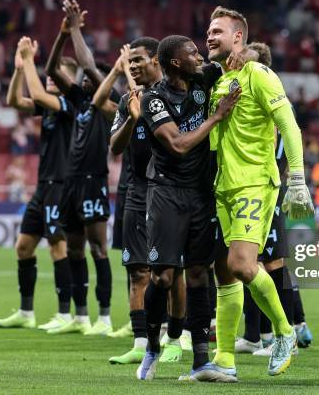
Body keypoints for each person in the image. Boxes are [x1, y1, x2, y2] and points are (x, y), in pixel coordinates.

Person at [200, 7, 314, 382]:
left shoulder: (260, 75)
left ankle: (284, 332)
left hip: (255, 183)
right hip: (224, 187)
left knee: (242, 265)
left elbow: (290, 126)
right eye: (208, 31)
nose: (209, 37)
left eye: (218, 31)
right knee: (225, 275)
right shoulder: (217, 79)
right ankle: (225, 360)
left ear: (238, 37)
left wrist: (297, 178)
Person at [135, 35, 240, 381]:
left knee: (198, 273)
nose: (199, 56)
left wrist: (236, 55)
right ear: (175, 63)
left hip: (201, 192)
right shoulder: (153, 99)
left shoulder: (202, 78)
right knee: (163, 277)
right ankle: (152, 345)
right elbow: (178, 144)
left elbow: (231, 61)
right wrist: (218, 116)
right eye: (192, 53)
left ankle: (200, 360)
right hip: (166, 191)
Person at [231, 42, 312, 354]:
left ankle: (286, 332)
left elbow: (287, 139)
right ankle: (256, 334)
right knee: (254, 261)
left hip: (270, 187)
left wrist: (293, 181)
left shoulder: (271, 96)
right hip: (255, 185)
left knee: (274, 261)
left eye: (248, 62)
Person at [0, 37, 77, 331]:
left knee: (57, 246)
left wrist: (29, 59)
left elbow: (39, 96)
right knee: (23, 247)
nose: (49, 79)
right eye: (48, 76)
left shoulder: (70, 105)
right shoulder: (49, 108)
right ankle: (26, 313)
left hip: (61, 186)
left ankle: (65, 314)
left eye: (55, 76)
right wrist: (19, 69)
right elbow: (14, 101)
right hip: (43, 187)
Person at [44, 0, 117, 335]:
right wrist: (62, 35)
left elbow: (87, 65)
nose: (84, 82)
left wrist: (75, 29)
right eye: (84, 80)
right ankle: (79, 315)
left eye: (90, 79)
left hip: (93, 180)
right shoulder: (78, 101)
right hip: (70, 181)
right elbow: (51, 69)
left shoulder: (108, 102)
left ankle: (103, 318)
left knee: (98, 248)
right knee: (73, 247)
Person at [100, 38, 161, 364]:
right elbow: (115, 146)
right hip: (136, 195)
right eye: (130, 61)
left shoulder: (176, 96)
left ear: (155, 59)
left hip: (170, 193)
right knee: (138, 271)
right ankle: (141, 343)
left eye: (139, 60)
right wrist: (132, 118)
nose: (134, 66)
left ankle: (175, 338)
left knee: (170, 272)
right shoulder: (128, 101)